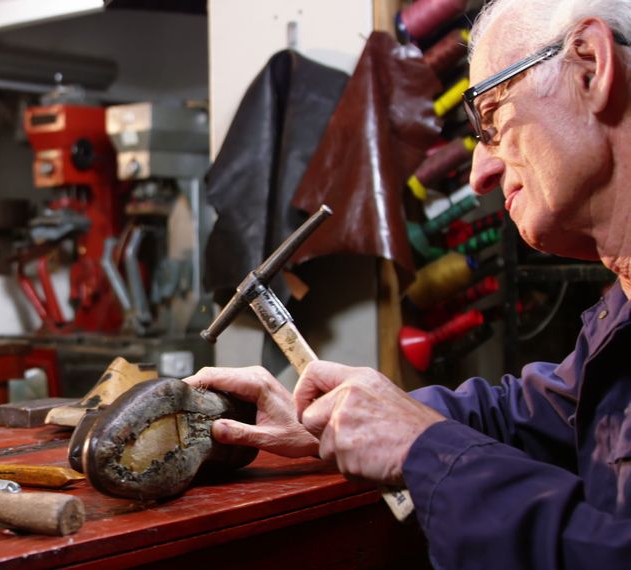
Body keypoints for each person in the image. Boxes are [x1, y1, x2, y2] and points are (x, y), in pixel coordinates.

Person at [186, 0, 631, 567]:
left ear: (590, 65)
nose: (479, 174)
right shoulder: (621, 310)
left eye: (493, 121)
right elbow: (540, 417)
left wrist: (427, 449)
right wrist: (346, 419)